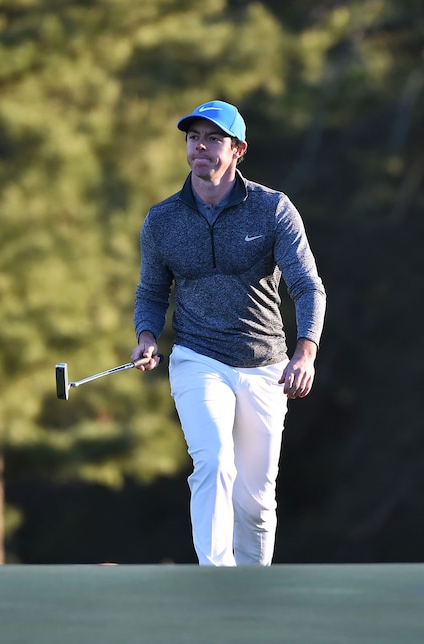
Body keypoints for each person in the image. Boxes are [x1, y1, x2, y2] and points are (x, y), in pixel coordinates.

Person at [131, 99, 326, 566]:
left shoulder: (273, 209)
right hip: (198, 359)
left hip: (266, 366)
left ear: (237, 150)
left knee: (255, 501)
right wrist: (146, 336)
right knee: (214, 464)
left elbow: (307, 285)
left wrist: (306, 352)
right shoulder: (162, 220)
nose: (201, 147)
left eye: (214, 139)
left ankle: (250, 599)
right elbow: (152, 291)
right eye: (194, 137)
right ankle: (213, 581)